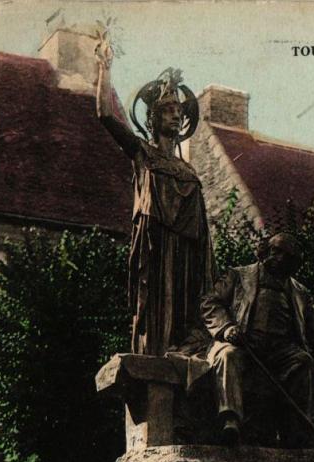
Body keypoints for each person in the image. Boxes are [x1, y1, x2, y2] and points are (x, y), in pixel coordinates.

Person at [95, 33, 215, 356]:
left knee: (183, 312)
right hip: (157, 246)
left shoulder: (190, 172)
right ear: (153, 117)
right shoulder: (143, 154)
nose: (176, 115)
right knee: (156, 315)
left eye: (179, 111)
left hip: (188, 256)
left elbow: (202, 231)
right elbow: (106, 115)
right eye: (168, 110)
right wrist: (105, 67)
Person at [200, 232, 314, 446]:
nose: (281, 258)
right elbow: (210, 303)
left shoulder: (300, 292)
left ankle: (299, 433)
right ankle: (231, 420)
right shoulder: (239, 276)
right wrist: (226, 327)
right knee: (228, 356)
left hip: (281, 351)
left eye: (288, 256)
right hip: (244, 342)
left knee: (304, 361)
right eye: (276, 251)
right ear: (265, 251)